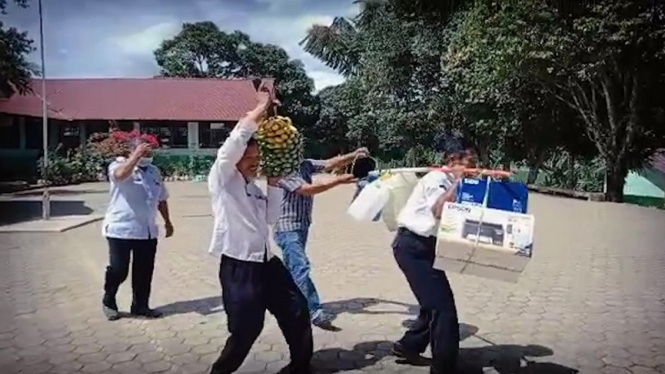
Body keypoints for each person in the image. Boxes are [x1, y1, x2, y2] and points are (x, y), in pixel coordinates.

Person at [207, 86, 313, 374]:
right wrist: (261, 107)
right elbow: (234, 142)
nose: (255, 164)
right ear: (236, 160)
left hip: (267, 264)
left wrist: (275, 182)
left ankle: (300, 367)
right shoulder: (223, 181)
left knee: (297, 310)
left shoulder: (253, 189)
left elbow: (269, 218)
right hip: (240, 268)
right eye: (249, 160)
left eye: (258, 159)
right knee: (246, 329)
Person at [390, 139, 478, 374]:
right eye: (471, 163)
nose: (474, 169)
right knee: (443, 309)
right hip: (412, 247)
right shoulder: (437, 179)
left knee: (432, 304)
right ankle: (444, 366)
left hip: (428, 247)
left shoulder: (451, 181)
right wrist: (459, 182)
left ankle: (408, 346)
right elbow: (439, 211)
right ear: (452, 161)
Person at [274, 148, 367, 327]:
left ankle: (288, 302)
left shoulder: (304, 165)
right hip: (287, 227)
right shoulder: (282, 169)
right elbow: (307, 189)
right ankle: (314, 311)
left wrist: (353, 154)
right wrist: (338, 181)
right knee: (300, 267)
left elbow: (329, 163)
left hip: (301, 225)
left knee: (294, 269)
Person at [101, 136, 174, 321]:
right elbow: (119, 176)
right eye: (143, 151)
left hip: (147, 231)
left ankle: (140, 306)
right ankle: (109, 299)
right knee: (119, 269)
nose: (147, 155)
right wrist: (134, 158)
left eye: (149, 152)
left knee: (144, 272)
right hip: (121, 229)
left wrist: (167, 221)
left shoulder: (154, 171)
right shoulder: (118, 166)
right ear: (130, 151)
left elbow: (161, 198)